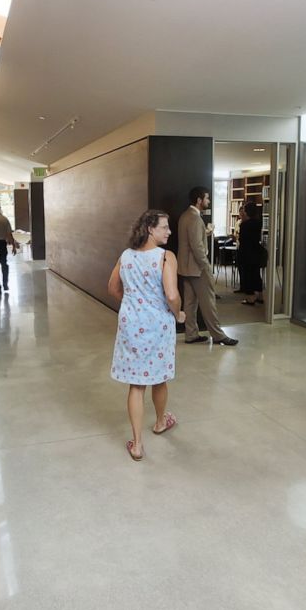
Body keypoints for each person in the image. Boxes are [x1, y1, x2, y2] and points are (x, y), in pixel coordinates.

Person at [108, 210, 186, 461]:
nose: (169, 231)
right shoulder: (166, 257)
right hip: (158, 324)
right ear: (151, 229)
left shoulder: (126, 256)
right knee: (159, 376)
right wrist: (178, 315)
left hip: (131, 323)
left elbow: (112, 288)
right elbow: (172, 295)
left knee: (136, 384)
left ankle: (137, 444)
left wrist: (133, 305)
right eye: (165, 227)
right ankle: (161, 422)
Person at [178, 186, 238, 346]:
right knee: (209, 302)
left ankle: (191, 334)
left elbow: (191, 240)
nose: (208, 201)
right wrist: (206, 266)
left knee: (189, 303)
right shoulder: (195, 218)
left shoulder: (185, 216)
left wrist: (206, 232)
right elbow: (197, 246)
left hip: (186, 268)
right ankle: (218, 335)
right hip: (198, 268)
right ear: (199, 200)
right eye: (207, 198)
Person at [234, 201, 264, 305]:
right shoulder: (258, 222)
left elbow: (242, 240)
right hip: (256, 252)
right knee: (256, 274)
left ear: (247, 212)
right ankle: (260, 296)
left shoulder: (245, 225)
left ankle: (250, 298)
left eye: (245, 210)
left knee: (248, 275)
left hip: (246, 253)